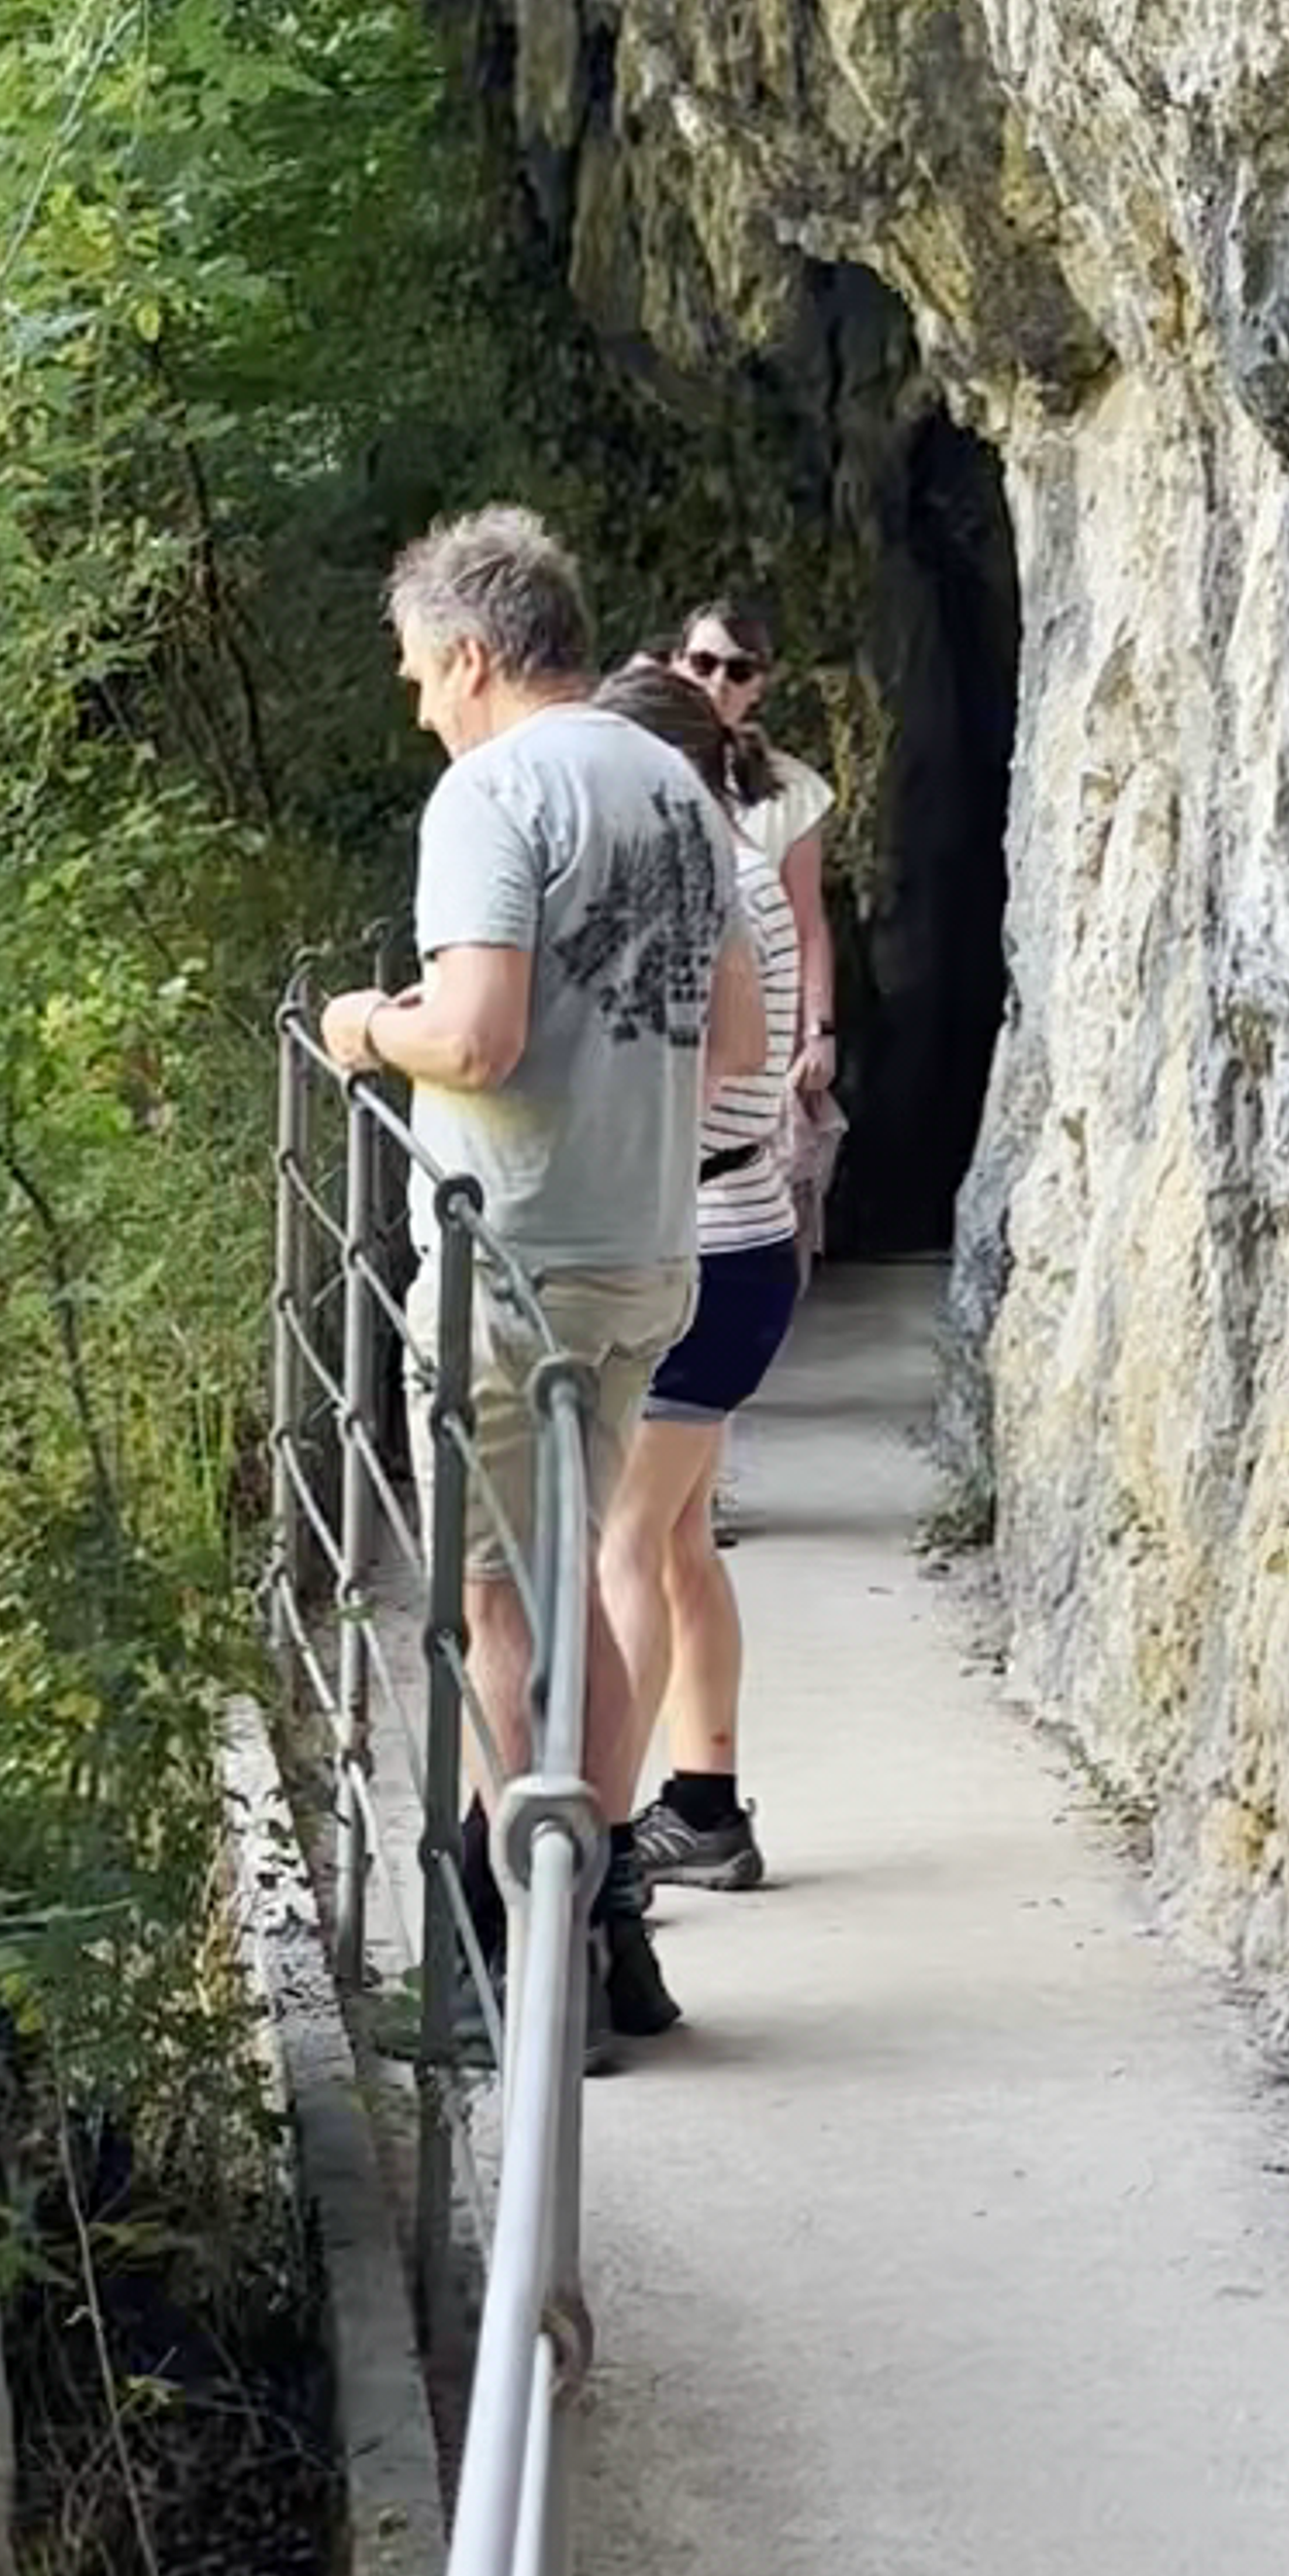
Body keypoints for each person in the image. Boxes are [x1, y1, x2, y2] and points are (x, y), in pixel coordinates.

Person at [321, 506, 764, 2048]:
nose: (416, 702)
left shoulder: (491, 793)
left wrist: (366, 1024)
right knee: (592, 1581)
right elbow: (738, 1040)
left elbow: (480, 1035)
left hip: (515, 1257)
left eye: (416, 672)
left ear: (470, 652)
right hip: (650, 1246)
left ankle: (528, 1952)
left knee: (494, 1593)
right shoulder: (681, 779)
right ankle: (607, 1921)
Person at [593, 656, 800, 1894]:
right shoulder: (748, 869)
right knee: (676, 1539)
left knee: (629, 1537)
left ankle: (607, 1843)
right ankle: (705, 1805)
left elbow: (693, 1060)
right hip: (750, 1237)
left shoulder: (701, 880)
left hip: (706, 1242)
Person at [672, 591, 843, 1275]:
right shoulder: (638, 766)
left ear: (761, 683)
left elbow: (808, 922)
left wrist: (819, 1031)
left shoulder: (791, 791)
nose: (718, 682)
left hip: (751, 1024)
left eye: (738, 669)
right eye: (705, 662)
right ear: (677, 663)